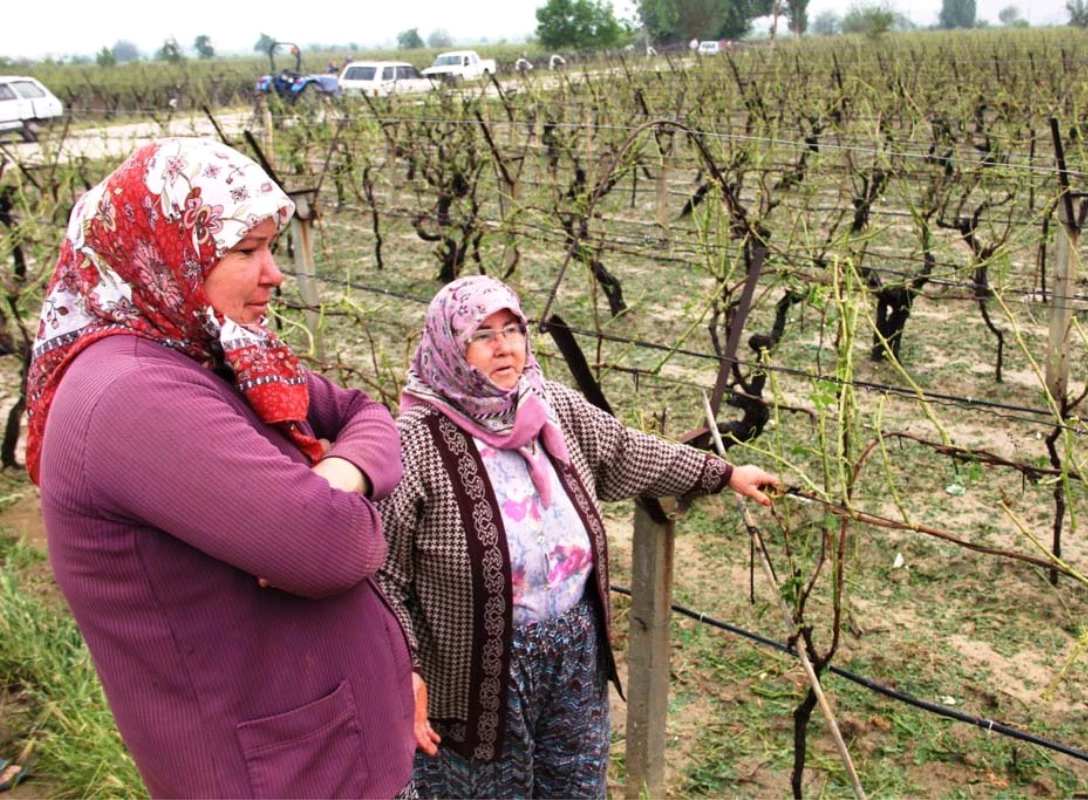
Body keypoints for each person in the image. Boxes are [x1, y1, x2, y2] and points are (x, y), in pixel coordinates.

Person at [28, 137, 416, 799]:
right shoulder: (134, 397)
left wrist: (339, 478)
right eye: (246, 252)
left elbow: (363, 412)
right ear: (163, 250)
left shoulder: (210, 353)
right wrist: (345, 505)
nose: (275, 274)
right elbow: (332, 547)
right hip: (277, 772)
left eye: (271, 248)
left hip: (320, 752)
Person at [376, 275, 779, 797]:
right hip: (472, 676)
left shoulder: (550, 407)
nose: (504, 347)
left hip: (573, 653)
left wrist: (722, 474)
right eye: (483, 334)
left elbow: (629, 453)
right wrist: (401, 670)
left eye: (512, 329)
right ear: (449, 347)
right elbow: (383, 574)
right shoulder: (414, 443)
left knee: (575, 787)